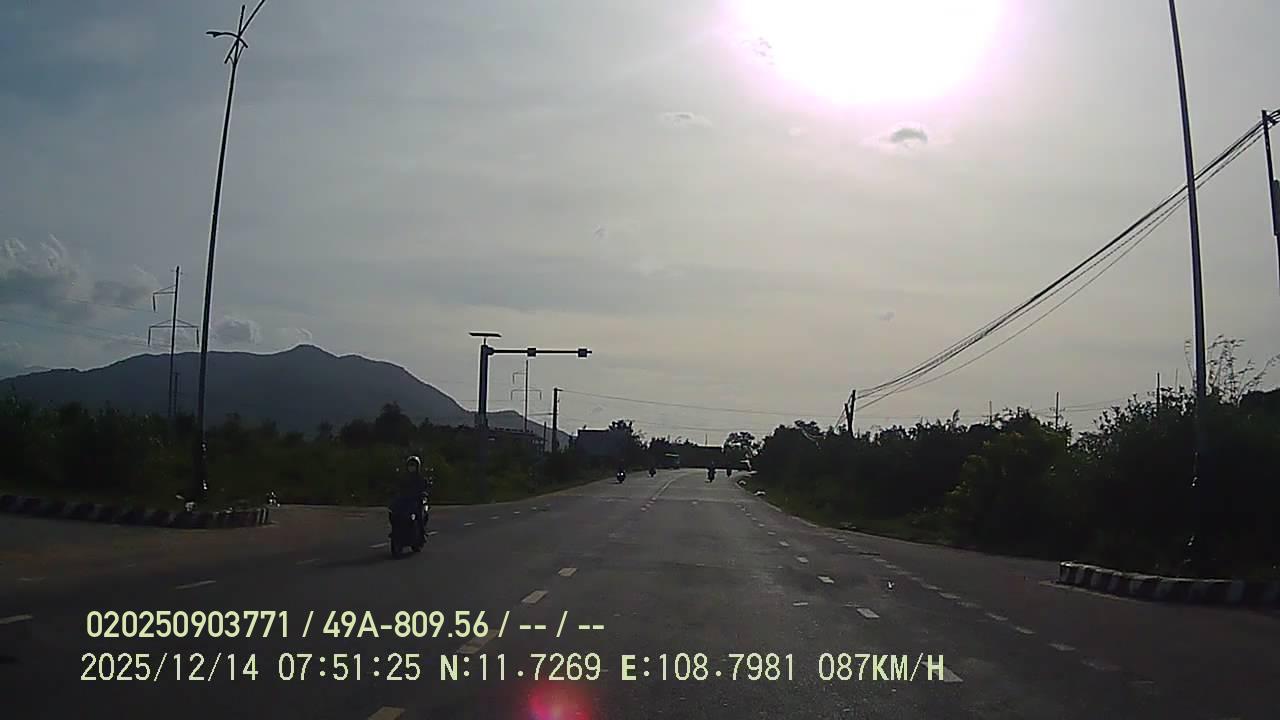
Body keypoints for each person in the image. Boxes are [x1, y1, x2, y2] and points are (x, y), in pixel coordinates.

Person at [400, 455, 433, 539]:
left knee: (420, 514)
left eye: (413, 466)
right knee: (395, 512)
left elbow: (426, 488)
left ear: (417, 467)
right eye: (410, 465)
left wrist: (424, 493)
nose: (411, 468)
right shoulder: (403, 478)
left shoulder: (421, 479)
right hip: (405, 501)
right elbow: (398, 487)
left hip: (416, 501)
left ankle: (422, 533)